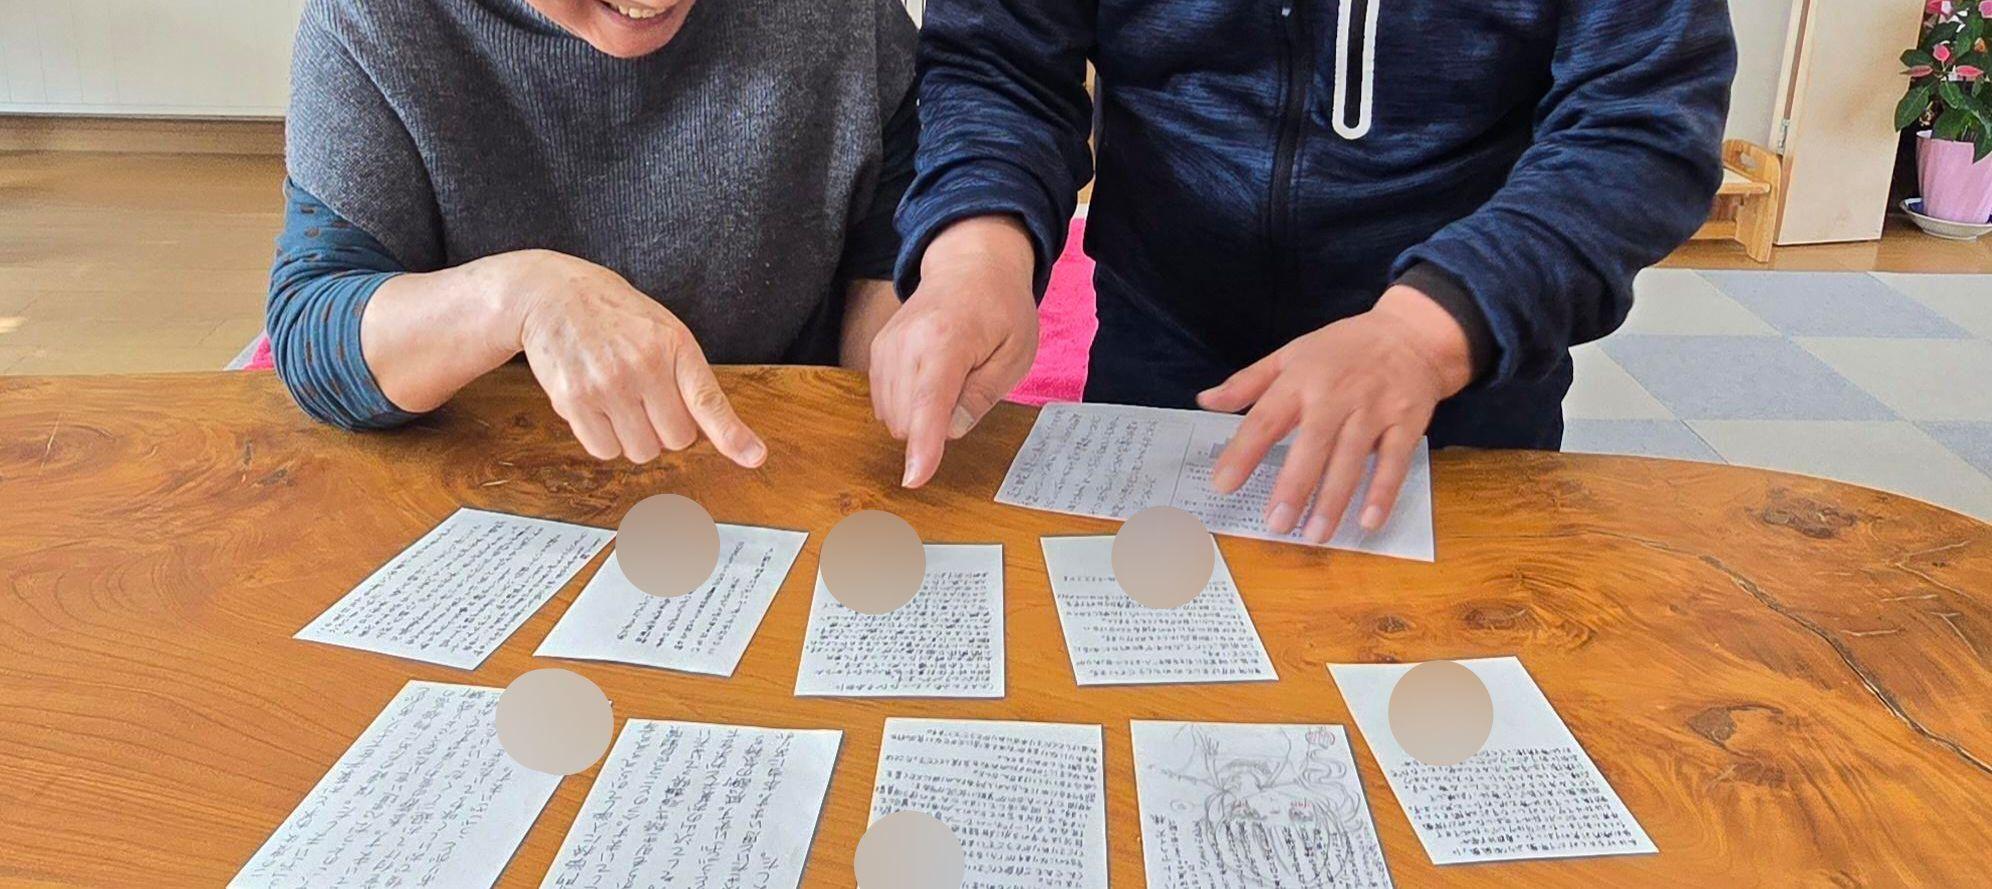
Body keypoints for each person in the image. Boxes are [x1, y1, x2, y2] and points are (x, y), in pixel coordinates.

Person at [873, 0, 1736, 541]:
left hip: (1460, 366)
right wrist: (976, 251)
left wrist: (1428, 330)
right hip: (1163, 347)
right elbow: (1000, 60)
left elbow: (1641, 124)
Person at [269, 0, 916, 466]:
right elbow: (314, 324)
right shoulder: (374, 23)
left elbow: (890, 254)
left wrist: (910, 367)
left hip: (778, 462)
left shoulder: (847, 18)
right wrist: (518, 300)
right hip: (506, 480)